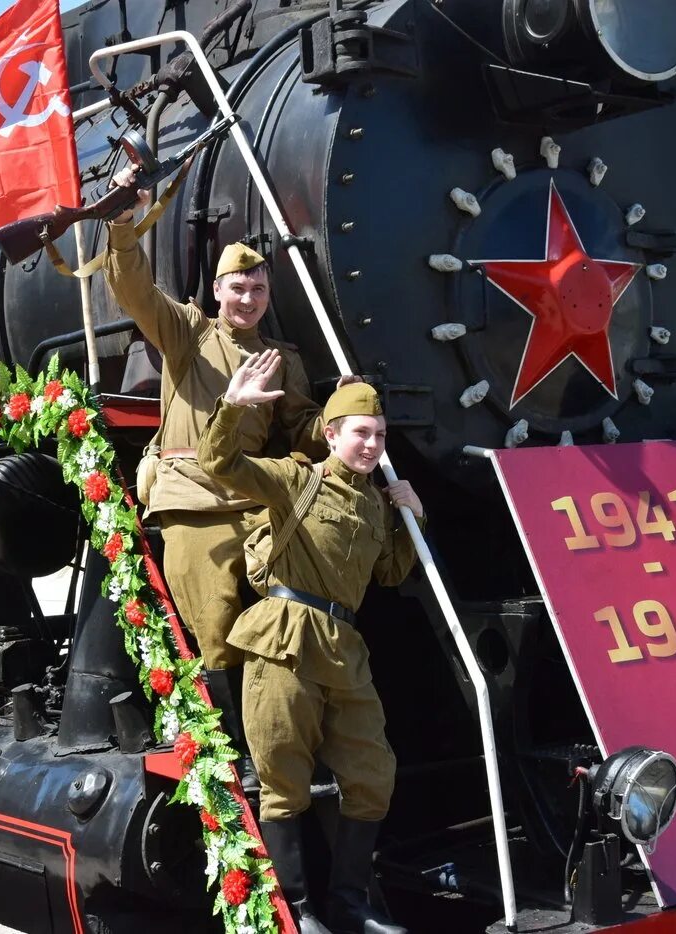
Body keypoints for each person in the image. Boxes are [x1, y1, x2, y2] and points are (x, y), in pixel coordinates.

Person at [102, 164, 329, 788]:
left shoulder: (282, 359)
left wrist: (345, 420)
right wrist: (125, 230)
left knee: (284, 622)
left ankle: (283, 741)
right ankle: (229, 755)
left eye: (257, 289)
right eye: (238, 288)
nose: (248, 298)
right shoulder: (188, 332)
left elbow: (302, 424)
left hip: (255, 502)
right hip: (195, 501)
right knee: (216, 630)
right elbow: (134, 291)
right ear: (219, 291)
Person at [198, 350, 423, 934]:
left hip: (343, 646)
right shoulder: (297, 478)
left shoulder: (376, 502)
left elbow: (392, 574)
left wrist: (410, 518)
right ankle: (297, 908)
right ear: (331, 433)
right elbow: (219, 462)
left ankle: (349, 902)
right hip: (285, 636)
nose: (371, 446)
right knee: (283, 776)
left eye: (379, 435)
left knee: (372, 773)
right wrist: (231, 407)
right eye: (360, 434)